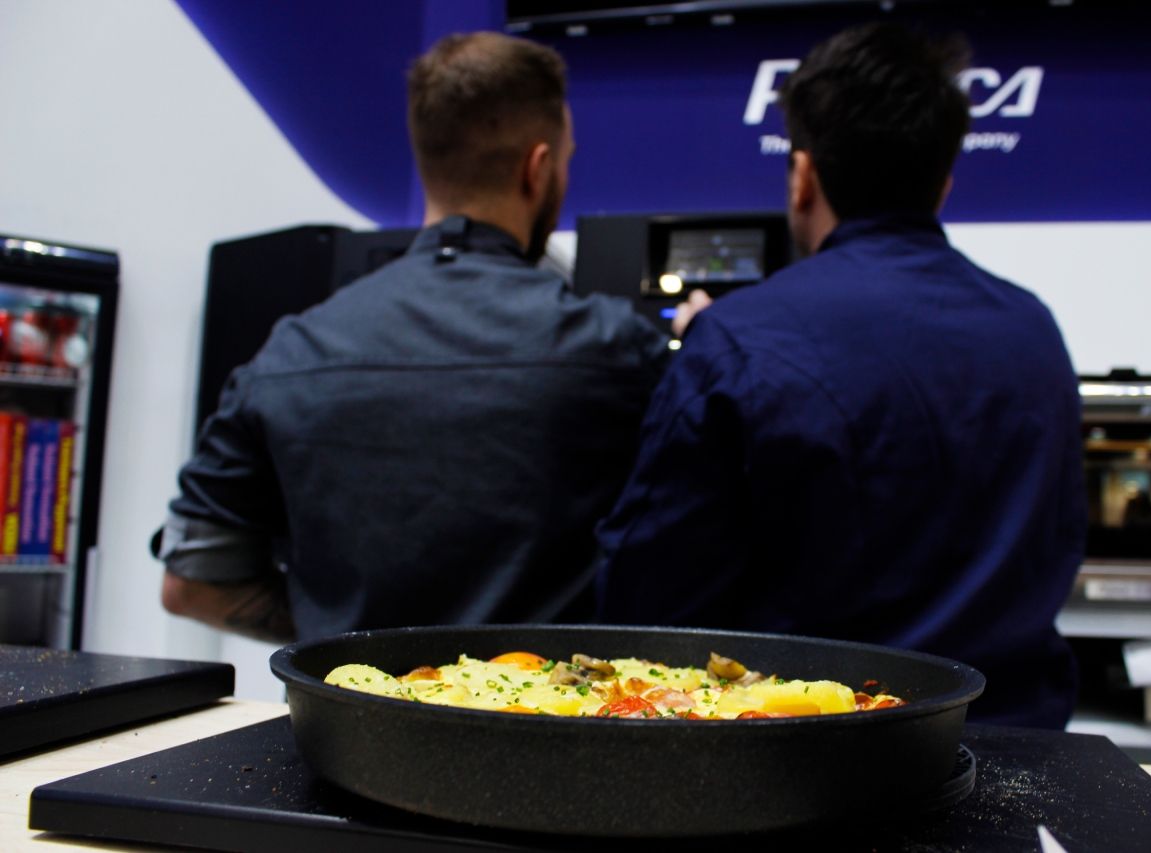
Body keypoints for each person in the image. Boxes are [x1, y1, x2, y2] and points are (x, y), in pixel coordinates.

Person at [595, 24, 1086, 729]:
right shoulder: (1034, 327)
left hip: (816, 758)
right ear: (944, 180)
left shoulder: (739, 339)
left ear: (802, 175)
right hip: (1022, 747)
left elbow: (646, 598)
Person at [156, 32, 670, 643]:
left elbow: (191, 584)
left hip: (346, 705)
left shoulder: (291, 352)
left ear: (428, 161)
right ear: (537, 168)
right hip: (550, 704)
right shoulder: (615, 348)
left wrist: (342, 640)